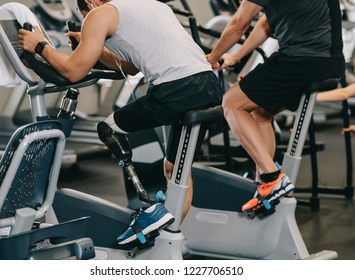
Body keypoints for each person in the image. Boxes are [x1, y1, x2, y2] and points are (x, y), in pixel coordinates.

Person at [19, 0, 221, 244]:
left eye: (85, 15)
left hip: (176, 89)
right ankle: (169, 240)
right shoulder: (150, 5)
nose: (86, 20)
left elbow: (72, 72)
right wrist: (90, 44)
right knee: (177, 170)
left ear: (92, 3)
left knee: (109, 128)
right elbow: (129, 66)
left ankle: (147, 206)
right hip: (209, 85)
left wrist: (38, 45)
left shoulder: (100, 14)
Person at [206, 0, 345, 217]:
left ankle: (271, 178)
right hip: (328, 62)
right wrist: (236, 56)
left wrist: (211, 58)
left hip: (300, 59)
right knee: (261, 114)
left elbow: (238, 25)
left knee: (231, 103)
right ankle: (265, 186)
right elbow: (266, 23)